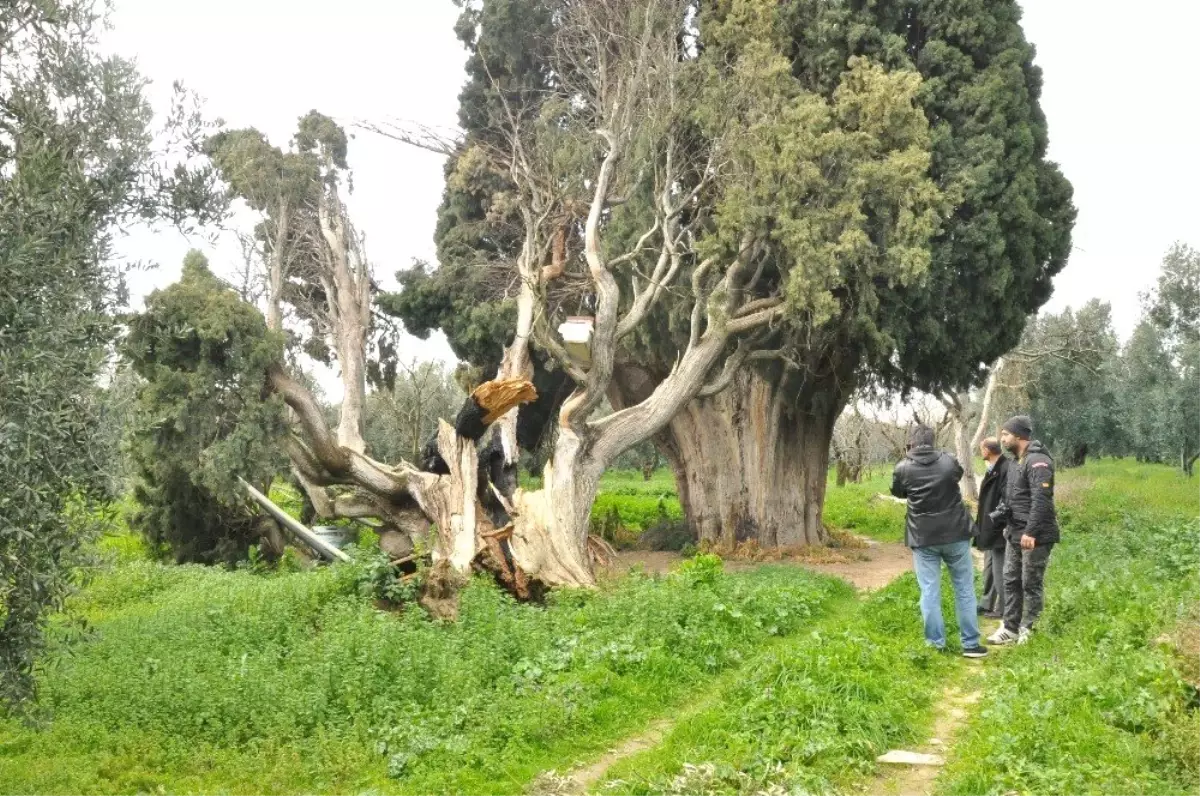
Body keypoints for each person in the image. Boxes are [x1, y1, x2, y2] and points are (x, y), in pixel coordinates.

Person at [891, 425, 988, 658]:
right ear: (933, 441)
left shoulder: (903, 467)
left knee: (929, 591)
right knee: (964, 588)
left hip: (923, 537)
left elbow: (898, 493)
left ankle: (935, 644)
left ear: (911, 443)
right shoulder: (948, 461)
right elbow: (957, 474)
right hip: (956, 532)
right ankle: (971, 644)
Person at [988, 415, 1059, 646]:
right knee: (1011, 580)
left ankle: (1030, 628)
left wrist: (1031, 532)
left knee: (1031, 583)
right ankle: (1010, 627)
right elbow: (1015, 497)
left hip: (1034, 536)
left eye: (1006, 434)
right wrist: (1006, 523)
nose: (1002, 439)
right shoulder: (1016, 461)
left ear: (1019, 436)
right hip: (1015, 533)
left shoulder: (1038, 461)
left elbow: (1041, 500)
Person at [974, 437, 1011, 619]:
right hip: (989, 527)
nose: (981, 452)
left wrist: (995, 520)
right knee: (989, 567)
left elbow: (1007, 499)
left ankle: (1003, 609)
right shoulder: (993, 469)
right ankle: (987, 603)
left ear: (988, 450)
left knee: (1000, 569)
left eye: (982, 448)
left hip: (998, 528)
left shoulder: (1005, 468)